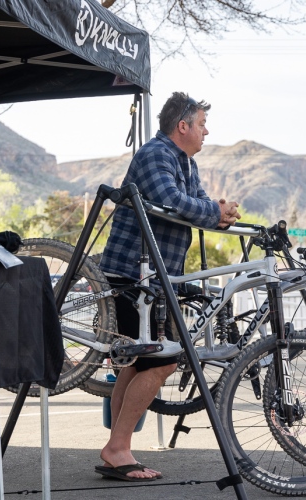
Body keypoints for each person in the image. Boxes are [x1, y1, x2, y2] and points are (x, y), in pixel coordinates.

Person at [95, 92, 241, 481]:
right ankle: (117, 447)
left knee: (143, 360)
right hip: (132, 272)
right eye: (202, 124)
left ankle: (117, 447)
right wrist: (213, 213)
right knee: (162, 361)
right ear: (183, 126)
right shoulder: (156, 154)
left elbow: (199, 201)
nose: (206, 131)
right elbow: (171, 201)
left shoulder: (186, 163)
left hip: (154, 277)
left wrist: (220, 213)